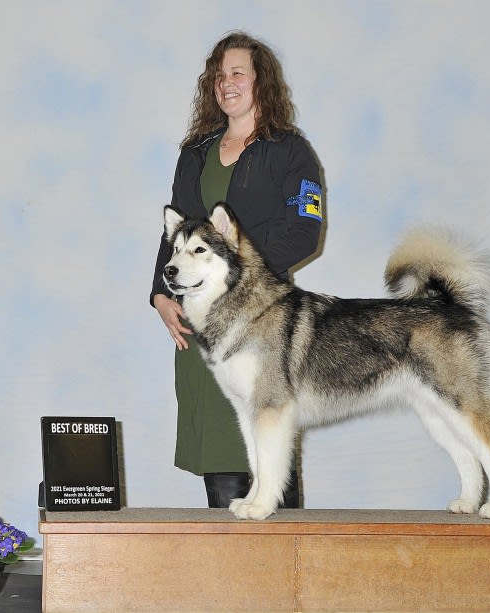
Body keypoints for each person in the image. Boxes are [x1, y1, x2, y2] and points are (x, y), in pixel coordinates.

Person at [150, 31, 324, 509]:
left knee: (270, 437)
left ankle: (286, 573)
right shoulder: (196, 151)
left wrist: (241, 274)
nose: (227, 84)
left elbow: (305, 233)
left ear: (260, 81)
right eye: (219, 76)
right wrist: (160, 295)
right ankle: (231, 571)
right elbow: (175, 232)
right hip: (199, 318)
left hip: (263, 316)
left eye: (238, 73)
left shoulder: (292, 152)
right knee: (218, 449)